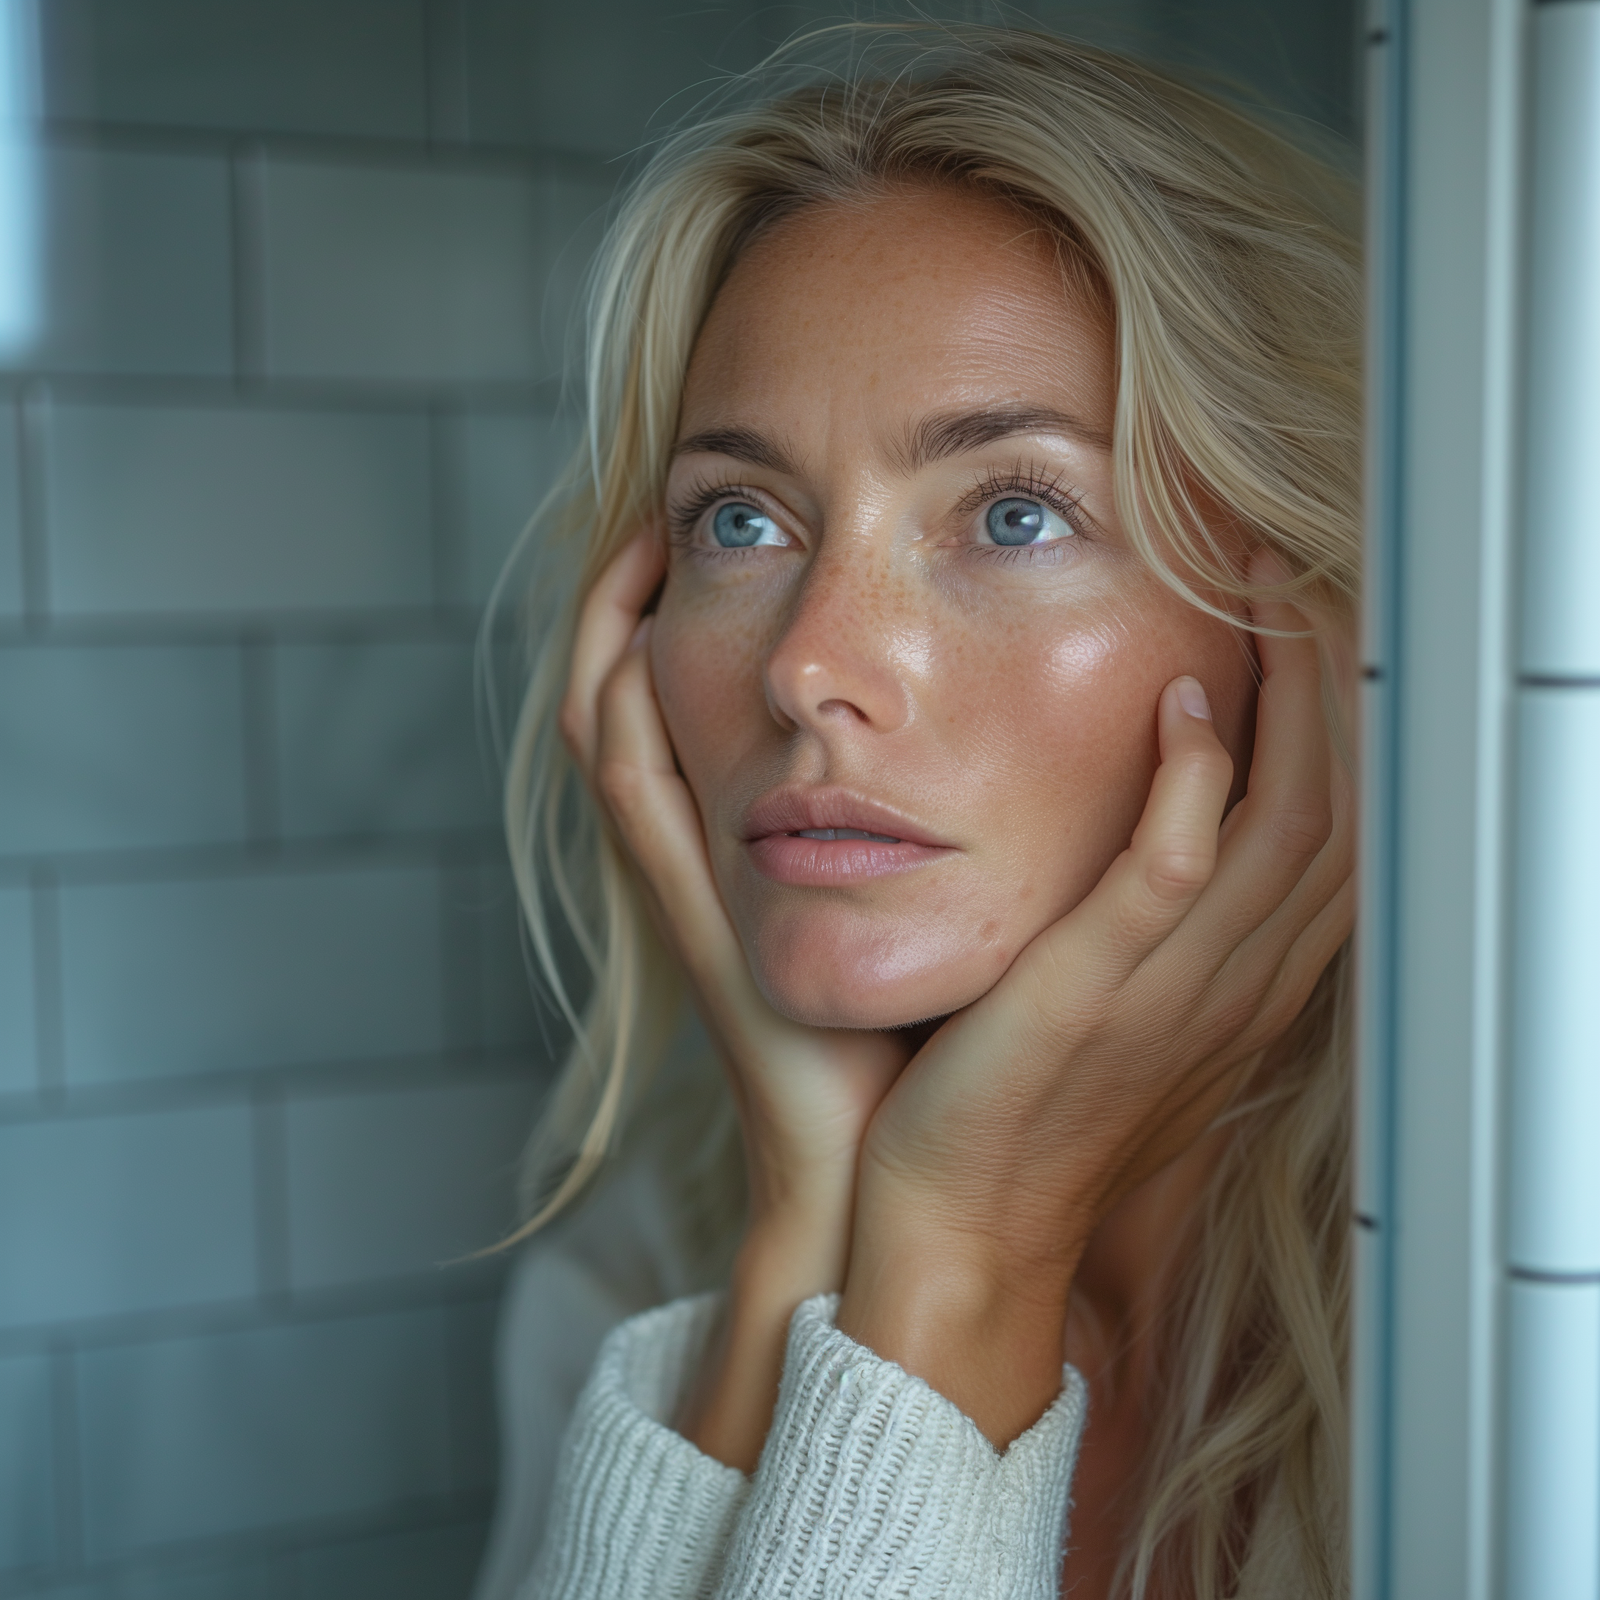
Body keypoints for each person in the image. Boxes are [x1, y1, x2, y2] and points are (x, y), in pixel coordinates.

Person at [472, 23, 1359, 1600]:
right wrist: (898, 1252)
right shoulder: (636, 1279)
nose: (807, 665)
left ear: (1310, 642)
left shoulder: (1506, 1322)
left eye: (1015, 512)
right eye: (738, 522)